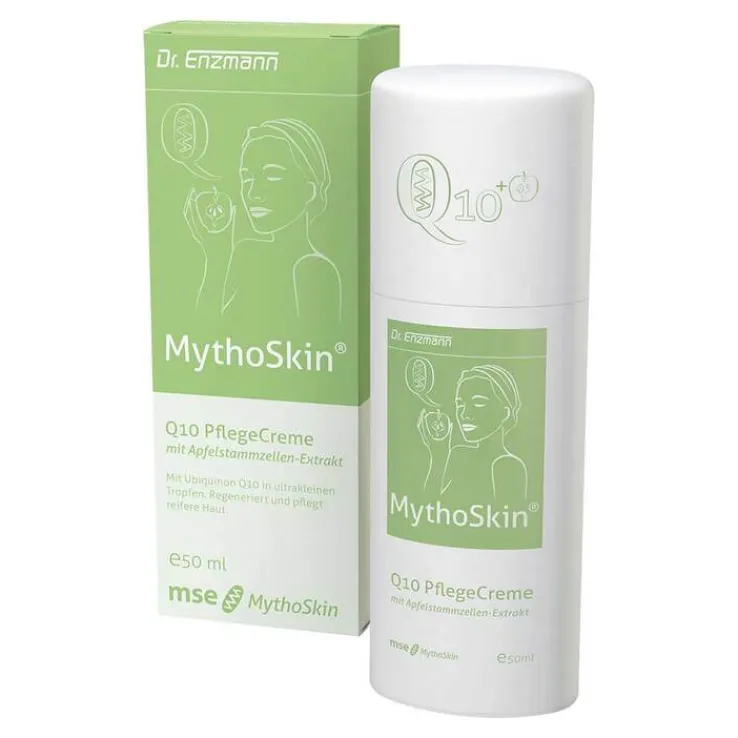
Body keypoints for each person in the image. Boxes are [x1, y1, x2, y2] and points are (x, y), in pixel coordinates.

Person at [186, 118, 341, 322]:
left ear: (310, 189)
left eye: (272, 174)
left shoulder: (313, 268)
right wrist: (215, 256)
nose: (253, 193)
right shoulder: (245, 252)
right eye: (246, 178)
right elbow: (206, 331)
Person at [417, 364, 528, 503]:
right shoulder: (457, 454)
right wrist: (438, 455)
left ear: (505, 413)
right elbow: (429, 505)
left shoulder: (507, 465)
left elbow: (508, 509)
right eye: (460, 404)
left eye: (478, 403)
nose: (464, 414)